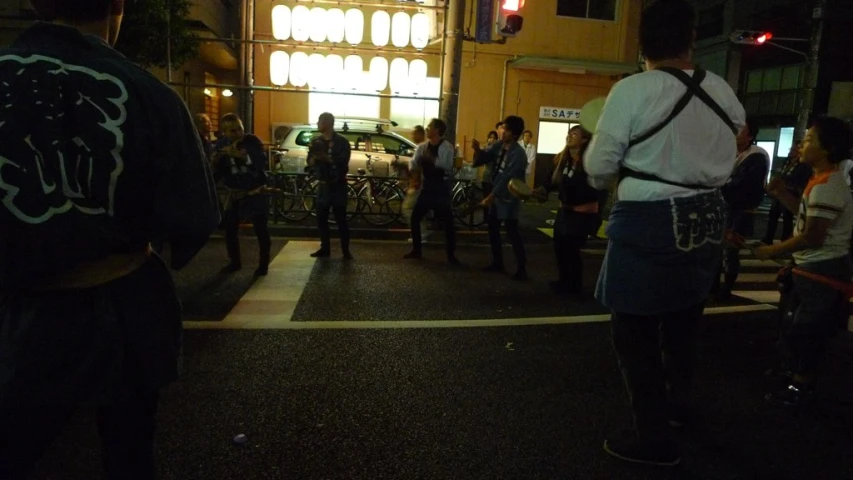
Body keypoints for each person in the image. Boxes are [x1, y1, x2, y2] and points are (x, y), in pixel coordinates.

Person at [0, 1, 220, 478]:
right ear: (116, 7)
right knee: (127, 454)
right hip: (119, 309)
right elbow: (193, 217)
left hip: (14, 311)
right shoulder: (146, 94)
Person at [584, 0, 746, 466]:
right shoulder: (722, 89)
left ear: (644, 44)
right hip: (708, 216)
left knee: (633, 332)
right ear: (691, 40)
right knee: (683, 321)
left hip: (650, 217)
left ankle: (654, 439)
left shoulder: (633, 90)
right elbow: (737, 135)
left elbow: (599, 167)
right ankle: (679, 407)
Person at [756, 117, 853, 407]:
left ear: (828, 148)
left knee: (806, 329)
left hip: (821, 267)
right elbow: (806, 216)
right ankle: (794, 373)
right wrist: (782, 194)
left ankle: (801, 385)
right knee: (795, 324)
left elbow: (813, 236)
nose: (802, 145)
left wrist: (773, 251)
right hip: (814, 267)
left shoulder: (828, 184)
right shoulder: (822, 179)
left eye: (809, 139)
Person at [534, 126, 600, 295]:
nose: (569, 136)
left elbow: (596, 190)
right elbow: (550, 181)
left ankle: (574, 287)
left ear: (584, 140)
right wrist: (543, 190)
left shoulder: (589, 162)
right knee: (559, 247)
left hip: (581, 214)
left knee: (572, 250)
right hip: (565, 212)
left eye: (574, 134)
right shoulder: (563, 160)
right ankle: (564, 282)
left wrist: (595, 218)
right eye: (569, 133)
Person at [712, 118, 771, 301]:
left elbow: (743, 187)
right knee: (714, 250)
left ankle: (726, 289)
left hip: (740, 211)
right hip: (721, 208)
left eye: (740, 130)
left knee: (730, 251)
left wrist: (720, 185)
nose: (734, 133)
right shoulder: (729, 153)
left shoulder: (756, 157)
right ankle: (712, 286)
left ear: (750, 136)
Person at [213, 113, 272, 276]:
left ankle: (263, 264)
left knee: (261, 228)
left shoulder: (252, 141)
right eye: (232, 130)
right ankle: (235, 261)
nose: (238, 133)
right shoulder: (221, 145)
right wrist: (216, 161)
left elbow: (261, 164)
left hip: (255, 190)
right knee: (230, 228)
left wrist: (244, 156)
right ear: (225, 132)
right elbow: (217, 170)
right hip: (235, 192)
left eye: (239, 128)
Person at [473, 116, 529, 280]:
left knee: (512, 231)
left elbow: (508, 177)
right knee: (493, 228)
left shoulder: (519, 154)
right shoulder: (498, 145)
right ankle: (497, 262)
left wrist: (491, 195)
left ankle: (522, 267)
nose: (502, 132)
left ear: (514, 133)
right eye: (502, 128)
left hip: (509, 196)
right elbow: (485, 157)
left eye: (506, 129)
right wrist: (477, 150)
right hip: (497, 192)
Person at [404, 118, 460, 264]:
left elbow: (447, 165)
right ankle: (417, 250)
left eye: (429, 127)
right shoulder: (423, 146)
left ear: (437, 130)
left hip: (441, 187)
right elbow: (414, 161)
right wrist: (412, 167)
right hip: (427, 186)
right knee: (415, 218)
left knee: (448, 223)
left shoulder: (446, 147)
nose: (427, 129)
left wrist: (431, 159)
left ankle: (451, 255)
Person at [309, 112, 353, 259]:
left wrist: (326, 158)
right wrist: (314, 159)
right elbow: (309, 162)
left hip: (338, 185)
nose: (317, 123)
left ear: (327, 122)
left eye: (319, 121)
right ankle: (325, 248)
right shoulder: (316, 141)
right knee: (321, 218)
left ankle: (346, 251)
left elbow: (343, 162)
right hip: (322, 186)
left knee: (341, 219)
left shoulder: (342, 142)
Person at [762, 142, 811, 244]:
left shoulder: (803, 165)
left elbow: (803, 180)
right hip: (780, 192)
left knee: (787, 217)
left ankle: (785, 239)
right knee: (773, 215)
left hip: (790, 194)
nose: (791, 152)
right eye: (791, 149)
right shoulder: (787, 161)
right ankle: (768, 238)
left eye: (794, 150)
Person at [404, 125, 430, 244]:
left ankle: (419, 234)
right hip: (421, 183)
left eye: (414, 133)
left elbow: (416, 166)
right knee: (418, 209)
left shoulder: (421, 147)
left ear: (420, 134)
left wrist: (414, 182)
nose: (412, 136)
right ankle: (422, 232)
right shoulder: (423, 147)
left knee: (408, 208)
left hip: (418, 183)